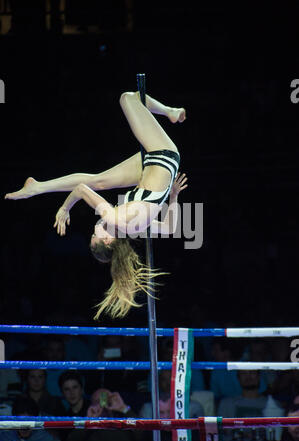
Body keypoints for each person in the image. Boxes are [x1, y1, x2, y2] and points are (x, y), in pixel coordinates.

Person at [5, 91, 187, 320]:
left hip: (153, 169)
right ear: (108, 239)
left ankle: (37, 187)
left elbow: (170, 227)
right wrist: (64, 208)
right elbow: (81, 190)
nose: (96, 226)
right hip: (163, 155)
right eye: (96, 233)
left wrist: (173, 197)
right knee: (127, 98)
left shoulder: (132, 229)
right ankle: (169, 111)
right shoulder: (114, 220)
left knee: (98, 180)